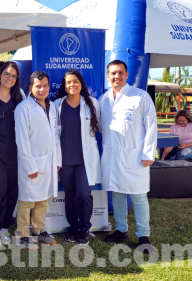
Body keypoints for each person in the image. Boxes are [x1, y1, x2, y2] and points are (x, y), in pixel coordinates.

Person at [99, 60, 156, 254]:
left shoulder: (140, 97)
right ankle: (121, 230)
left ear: (127, 74)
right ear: (108, 76)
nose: (117, 76)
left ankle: (143, 235)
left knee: (139, 196)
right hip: (112, 157)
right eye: (113, 73)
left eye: (120, 73)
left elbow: (151, 126)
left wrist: (148, 152)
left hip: (136, 156)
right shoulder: (103, 99)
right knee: (117, 194)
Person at [14, 71, 61, 250]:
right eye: (38, 86)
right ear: (31, 87)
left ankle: (39, 230)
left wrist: (58, 159)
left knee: (43, 199)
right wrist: (29, 164)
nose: (42, 89)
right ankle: (22, 234)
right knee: (26, 200)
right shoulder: (23, 108)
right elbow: (22, 139)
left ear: (49, 86)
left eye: (45, 85)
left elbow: (55, 135)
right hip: (32, 162)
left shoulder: (52, 107)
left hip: (48, 161)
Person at [53, 70, 101, 246]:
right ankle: (73, 228)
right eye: (68, 83)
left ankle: (84, 229)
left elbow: (100, 126)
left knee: (84, 194)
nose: (72, 85)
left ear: (81, 83)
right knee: (71, 195)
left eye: (75, 82)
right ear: (64, 86)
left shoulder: (92, 103)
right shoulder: (57, 104)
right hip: (65, 158)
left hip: (84, 159)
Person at [0, 62, 25, 246]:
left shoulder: (20, 97)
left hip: (16, 153)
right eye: (7, 75)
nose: (10, 78)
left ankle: (4, 228)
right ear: (0, 75)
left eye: (14, 76)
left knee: (12, 192)